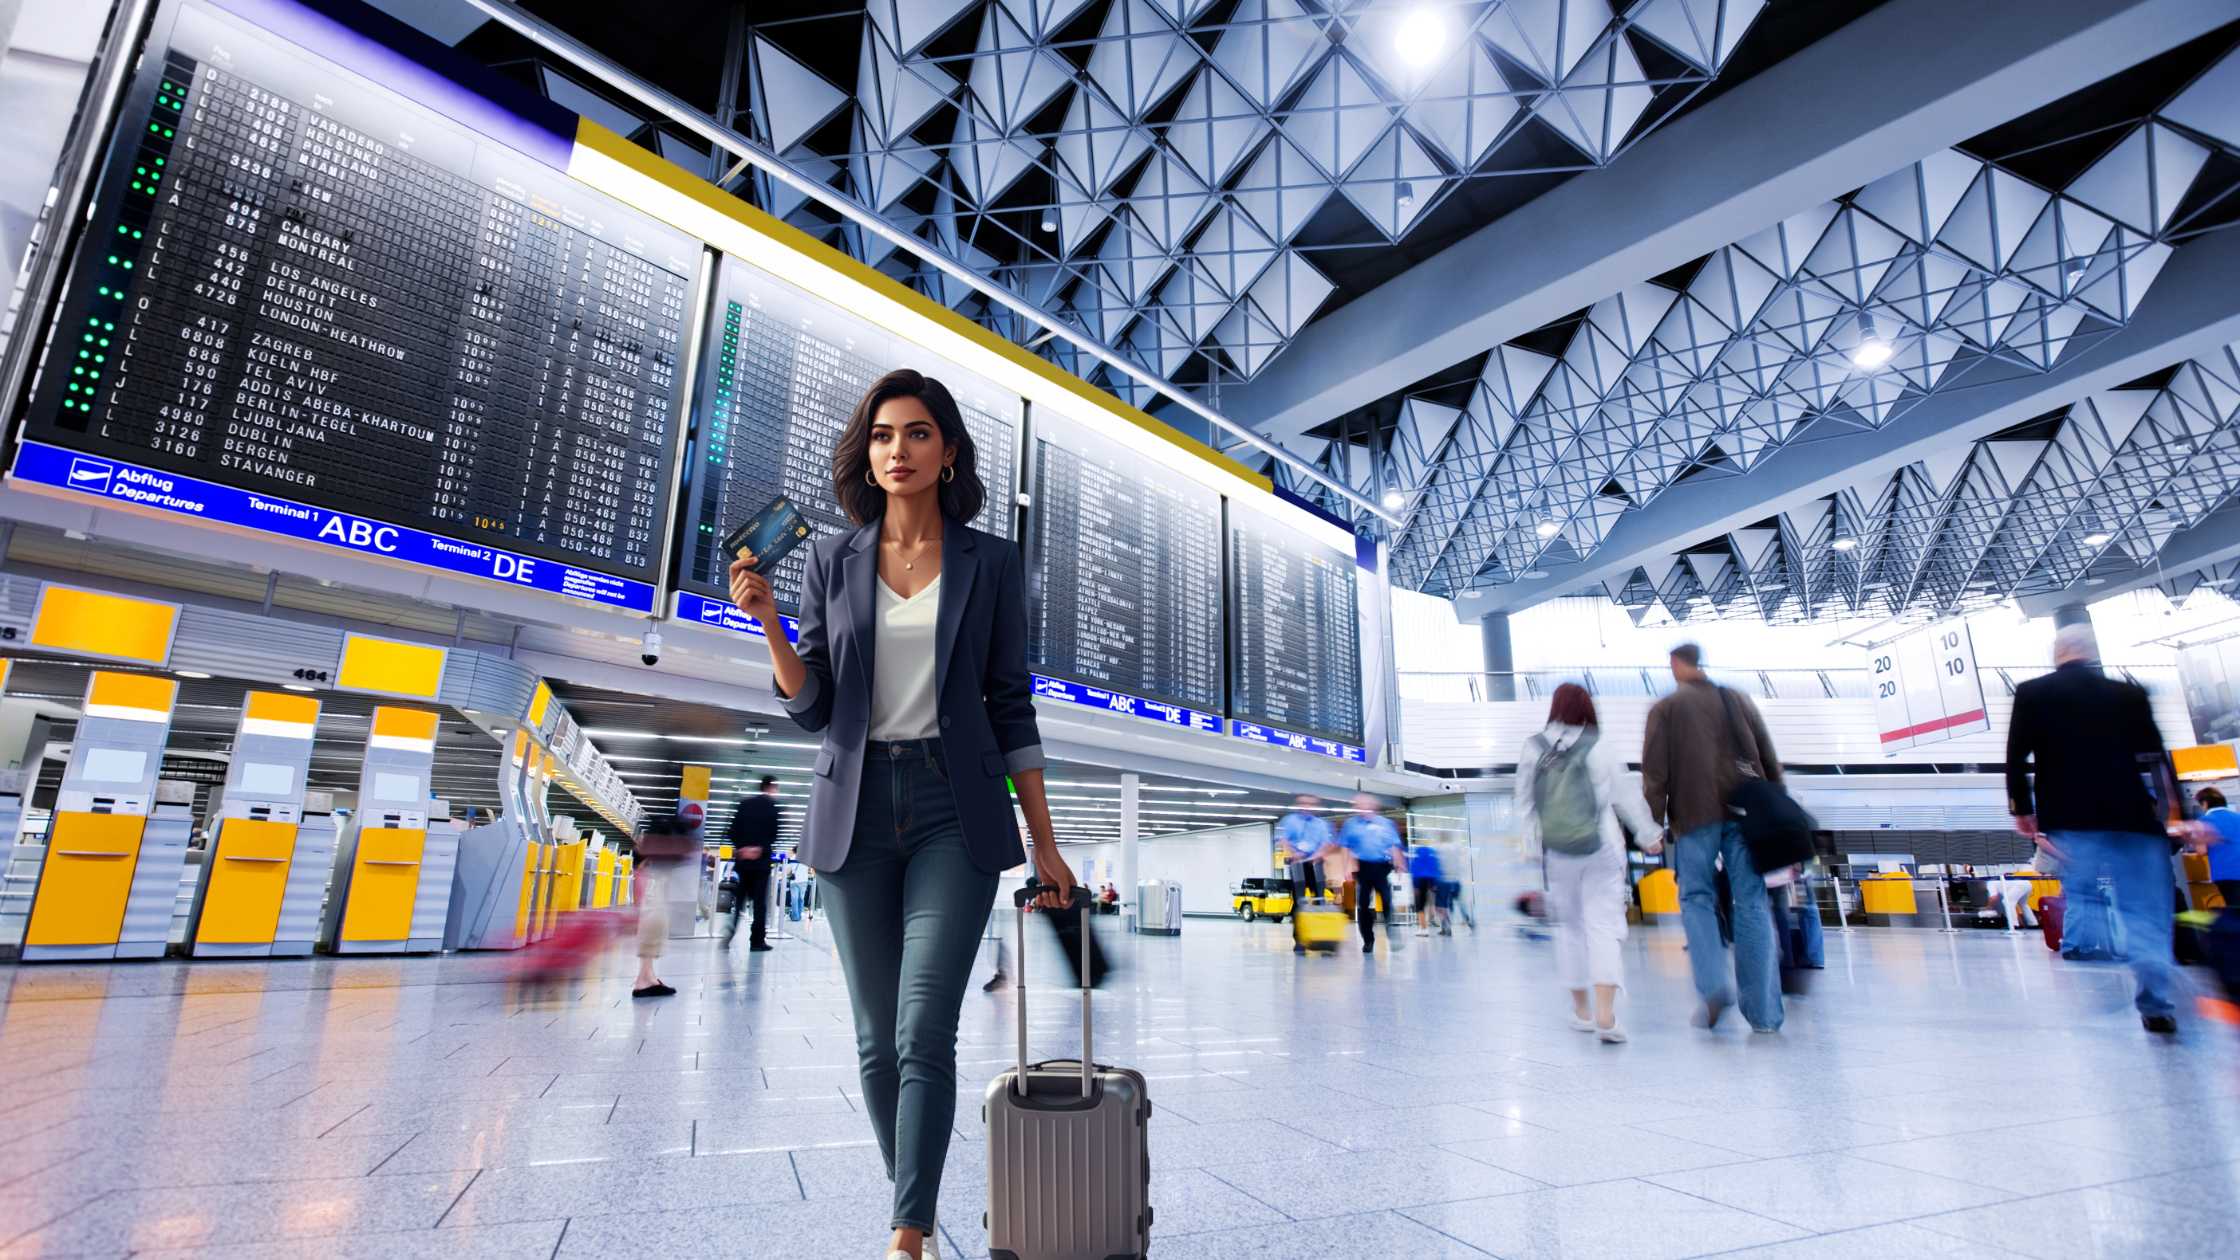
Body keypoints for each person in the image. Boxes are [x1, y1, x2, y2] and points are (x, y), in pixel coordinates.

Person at [728, 367, 1075, 1260]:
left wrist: (1046, 844)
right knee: (877, 1042)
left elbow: (1011, 706)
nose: (898, 450)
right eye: (883, 435)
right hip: (852, 807)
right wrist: (767, 622)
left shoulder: (990, 562)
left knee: (925, 1026)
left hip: (953, 809)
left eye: (918, 434)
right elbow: (812, 705)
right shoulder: (829, 559)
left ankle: (906, 1238)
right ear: (866, 451)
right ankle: (913, 1202)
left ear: (947, 450)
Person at [2006, 623, 2181, 1034]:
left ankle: (2093, 954)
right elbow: (2156, 757)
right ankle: (2155, 997)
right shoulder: (2129, 694)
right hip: (2132, 817)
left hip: (2071, 818)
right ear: (2092, 654)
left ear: (2058, 653)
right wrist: (2177, 811)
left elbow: (2016, 756)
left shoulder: (2034, 693)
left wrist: (2022, 808)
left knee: (2084, 893)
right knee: (2145, 912)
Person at [1642, 643, 1785, 1034]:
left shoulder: (1666, 710)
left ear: (1675, 664)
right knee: (1752, 902)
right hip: (1745, 813)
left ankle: (1713, 986)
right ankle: (1765, 1015)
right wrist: (1778, 806)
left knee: (1696, 898)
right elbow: (1768, 756)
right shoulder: (1735, 699)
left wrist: (1652, 825)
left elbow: (1655, 773)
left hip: (1693, 816)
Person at [1516, 683, 1658, 1042]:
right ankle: (1607, 1017)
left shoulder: (1534, 748)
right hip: (1603, 847)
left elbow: (1525, 806)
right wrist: (1647, 834)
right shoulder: (1600, 744)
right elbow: (1626, 796)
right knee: (1603, 926)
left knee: (1571, 930)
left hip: (1558, 851)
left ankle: (1581, 1012)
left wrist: (1533, 849)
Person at [1339, 794, 1406, 954]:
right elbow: (1345, 847)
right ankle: (1368, 940)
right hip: (1363, 867)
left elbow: (1393, 845)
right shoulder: (1351, 824)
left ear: (1374, 806)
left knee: (1386, 900)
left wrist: (1399, 862)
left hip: (1382, 866)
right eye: (1359, 805)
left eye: (1365, 804)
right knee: (1363, 905)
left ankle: (1392, 935)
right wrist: (1345, 868)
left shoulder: (1385, 824)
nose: (1362, 808)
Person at [725, 776, 779, 952]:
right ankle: (757, 941)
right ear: (771, 787)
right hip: (761, 864)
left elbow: (731, 831)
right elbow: (772, 835)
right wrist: (758, 849)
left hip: (743, 863)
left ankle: (729, 934)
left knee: (739, 901)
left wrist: (742, 848)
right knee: (759, 905)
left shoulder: (744, 804)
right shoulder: (772, 807)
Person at [1276, 795, 1334, 954]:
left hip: (1315, 864)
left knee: (1320, 902)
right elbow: (1283, 840)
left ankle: (1324, 940)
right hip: (1298, 864)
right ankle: (1299, 940)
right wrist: (1293, 853)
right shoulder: (1290, 821)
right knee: (1299, 902)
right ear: (1299, 805)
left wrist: (1317, 855)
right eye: (1304, 804)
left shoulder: (1321, 825)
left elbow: (1327, 844)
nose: (1307, 807)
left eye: (1311, 804)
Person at [2196, 787, 2240, 906]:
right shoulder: (2238, 817)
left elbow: (2201, 851)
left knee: (2235, 909)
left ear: (2204, 803)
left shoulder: (2202, 821)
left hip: (2226, 873)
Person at [1410, 841, 1445, 936]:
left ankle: (1423, 929)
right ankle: (1444, 925)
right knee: (1434, 904)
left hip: (1420, 881)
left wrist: (1415, 886)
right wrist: (1435, 883)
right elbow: (1436, 868)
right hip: (1431, 881)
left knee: (1420, 906)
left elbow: (1414, 870)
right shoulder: (1431, 855)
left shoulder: (1418, 855)